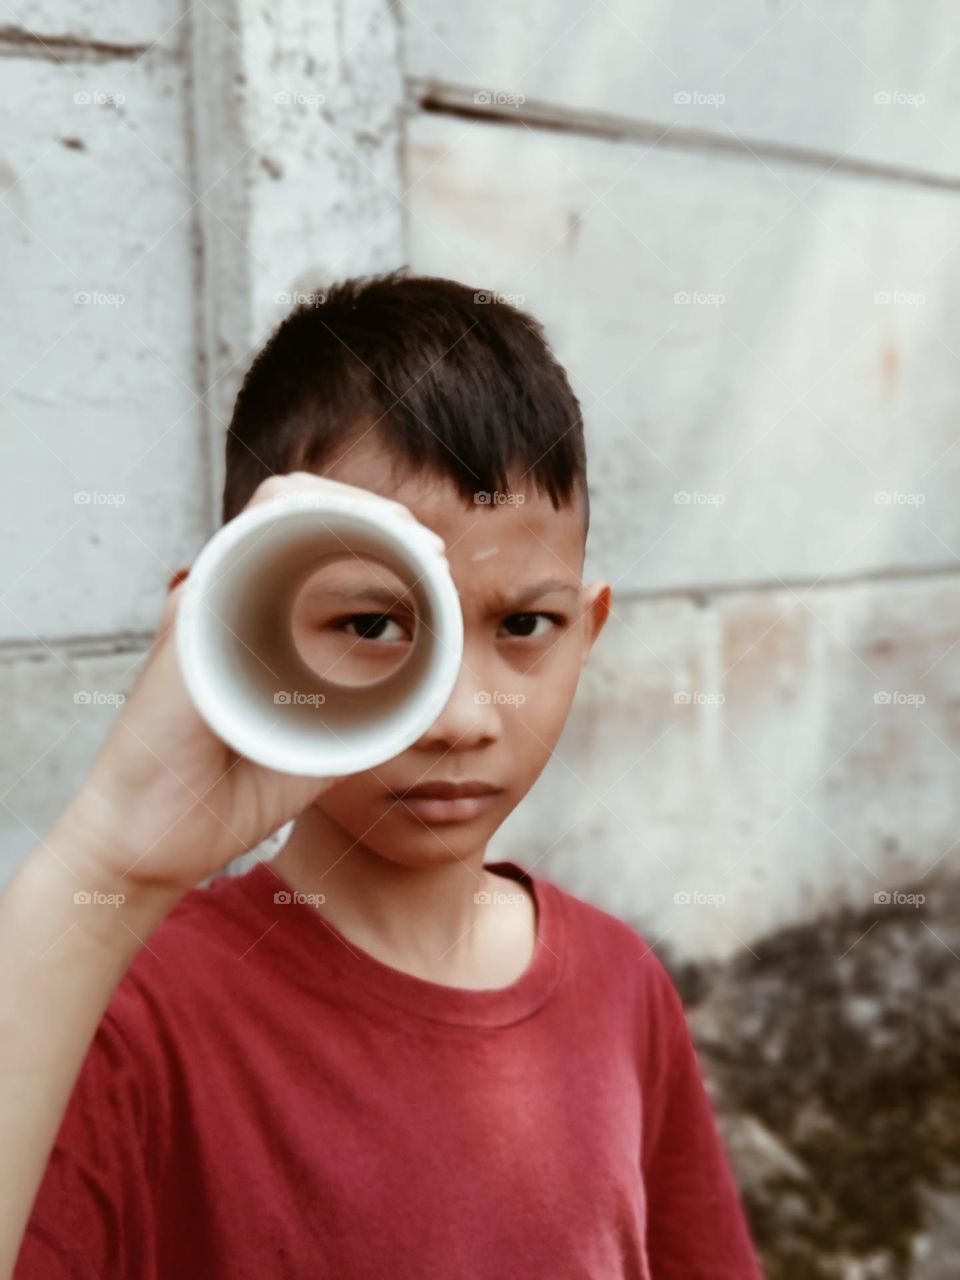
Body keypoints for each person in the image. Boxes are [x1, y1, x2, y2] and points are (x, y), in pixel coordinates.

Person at [1, 271, 763, 1278]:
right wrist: (109, 865)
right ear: (237, 632)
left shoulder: (626, 986)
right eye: (372, 625)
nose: (455, 717)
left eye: (523, 625)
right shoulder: (131, 1017)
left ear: (588, 630)